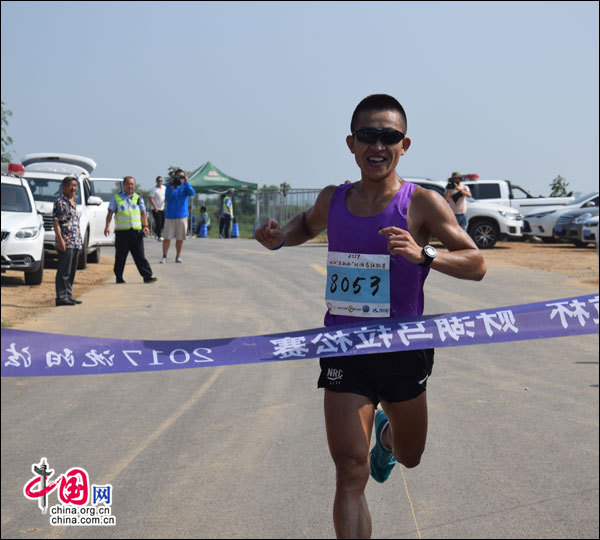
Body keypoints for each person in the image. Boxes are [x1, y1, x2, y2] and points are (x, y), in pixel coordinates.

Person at [254, 94, 486, 539]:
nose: (377, 145)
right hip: (344, 350)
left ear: (405, 144)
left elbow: (476, 263)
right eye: (367, 136)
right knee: (349, 470)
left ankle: (386, 438)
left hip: (403, 350)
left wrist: (424, 255)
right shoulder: (334, 198)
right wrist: (278, 237)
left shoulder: (423, 203)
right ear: (351, 143)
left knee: (410, 455)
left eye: (388, 136)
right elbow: (304, 224)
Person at [104, 176, 157, 284]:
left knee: (140, 255)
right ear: (124, 185)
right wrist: (107, 226)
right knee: (120, 256)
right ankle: (119, 277)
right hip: (122, 232)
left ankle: (147, 276)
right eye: (128, 184)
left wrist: (145, 226)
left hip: (136, 232)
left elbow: (143, 213)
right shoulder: (116, 197)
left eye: (132, 184)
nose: (130, 186)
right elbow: (110, 213)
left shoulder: (138, 198)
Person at [53, 176, 83, 306]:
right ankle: (61, 297)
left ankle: (68, 295)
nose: (73, 188)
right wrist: (60, 240)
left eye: (75, 186)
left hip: (76, 241)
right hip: (66, 241)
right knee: (64, 271)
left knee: (71, 271)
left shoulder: (73, 202)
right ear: (63, 187)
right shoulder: (60, 202)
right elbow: (56, 222)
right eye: (71, 185)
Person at [161, 169, 195, 263]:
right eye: (178, 177)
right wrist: (172, 188)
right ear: (175, 177)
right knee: (167, 237)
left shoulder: (185, 185)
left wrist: (187, 183)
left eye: (182, 177)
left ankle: (178, 256)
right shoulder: (170, 185)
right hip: (170, 216)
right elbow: (167, 198)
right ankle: (164, 256)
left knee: (180, 238)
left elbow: (192, 193)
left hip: (182, 216)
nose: (180, 179)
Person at [149, 175, 166, 240]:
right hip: (155, 208)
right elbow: (151, 198)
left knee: (163, 221)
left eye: (161, 181)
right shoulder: (154, 189)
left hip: (162, 208)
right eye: (159, 181)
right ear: (156, 181)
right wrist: (155, 207)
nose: (160, 182)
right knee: (158, 222)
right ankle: (159, 236)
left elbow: (165, 196)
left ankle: (156, 231)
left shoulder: (164, 188)